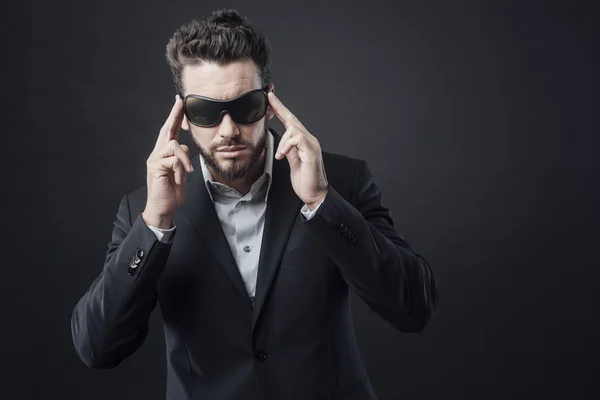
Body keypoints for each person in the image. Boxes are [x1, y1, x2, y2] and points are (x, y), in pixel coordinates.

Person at [71, 9, 438, 400]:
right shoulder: (142, 211)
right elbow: (97, 347)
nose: (228, 130)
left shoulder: (341, 182)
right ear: (182, 115)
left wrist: (321, 202)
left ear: (268, 102)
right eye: (206, 112)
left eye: (245, 107)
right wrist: (156, 225)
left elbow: (413, 308)